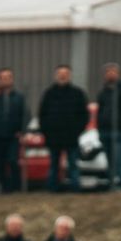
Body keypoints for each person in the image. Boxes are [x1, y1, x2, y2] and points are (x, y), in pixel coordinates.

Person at [39, 65, 89, 193]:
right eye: (60, 74)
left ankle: (75, 188)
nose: (62, 76)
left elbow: (84, 115)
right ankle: (52, 188)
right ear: (56, 75)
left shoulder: (77, 93)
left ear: (69, 75)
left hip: (71, 137)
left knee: (73, 164)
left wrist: (77, 131)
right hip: (53, 137)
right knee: (54, 164)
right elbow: (42, 115)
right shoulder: (49, 94)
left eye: (65, 74)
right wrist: (47, 132)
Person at [0, 68, 29, 194]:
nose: (5, 80)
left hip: (13, 136)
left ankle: (16, 188)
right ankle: (4, 188)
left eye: (8, 77)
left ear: (12, 79)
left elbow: (25, 115)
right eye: (3, 78)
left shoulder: (19, 97)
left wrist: (22, 131)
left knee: (13, 161)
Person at [95, 63, 121, 192]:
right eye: (108, 72)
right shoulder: (103, 92)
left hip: (118, 131)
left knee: (118, 159)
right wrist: (100, 127)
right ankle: (111, 183)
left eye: (113, 72)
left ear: (118, 74)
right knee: (109, 160)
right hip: (105, 131)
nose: (111, 74)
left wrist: (120, 123)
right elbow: (100, 111)